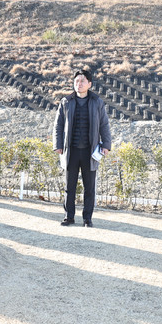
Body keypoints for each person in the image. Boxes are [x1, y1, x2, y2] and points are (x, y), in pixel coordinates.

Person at [52, 69, 112, 228]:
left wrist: (106, 145)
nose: (79, 84)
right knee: (69, 187)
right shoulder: (66, 102)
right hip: (70, 151)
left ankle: (87, 219)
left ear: (89, 84)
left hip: (90, 151)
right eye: (76, 81)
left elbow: (104, 125)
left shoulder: (97, 102)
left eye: (82, 81)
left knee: (89, 188)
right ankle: (69, 217)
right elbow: (58, 125)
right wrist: (58, 145)